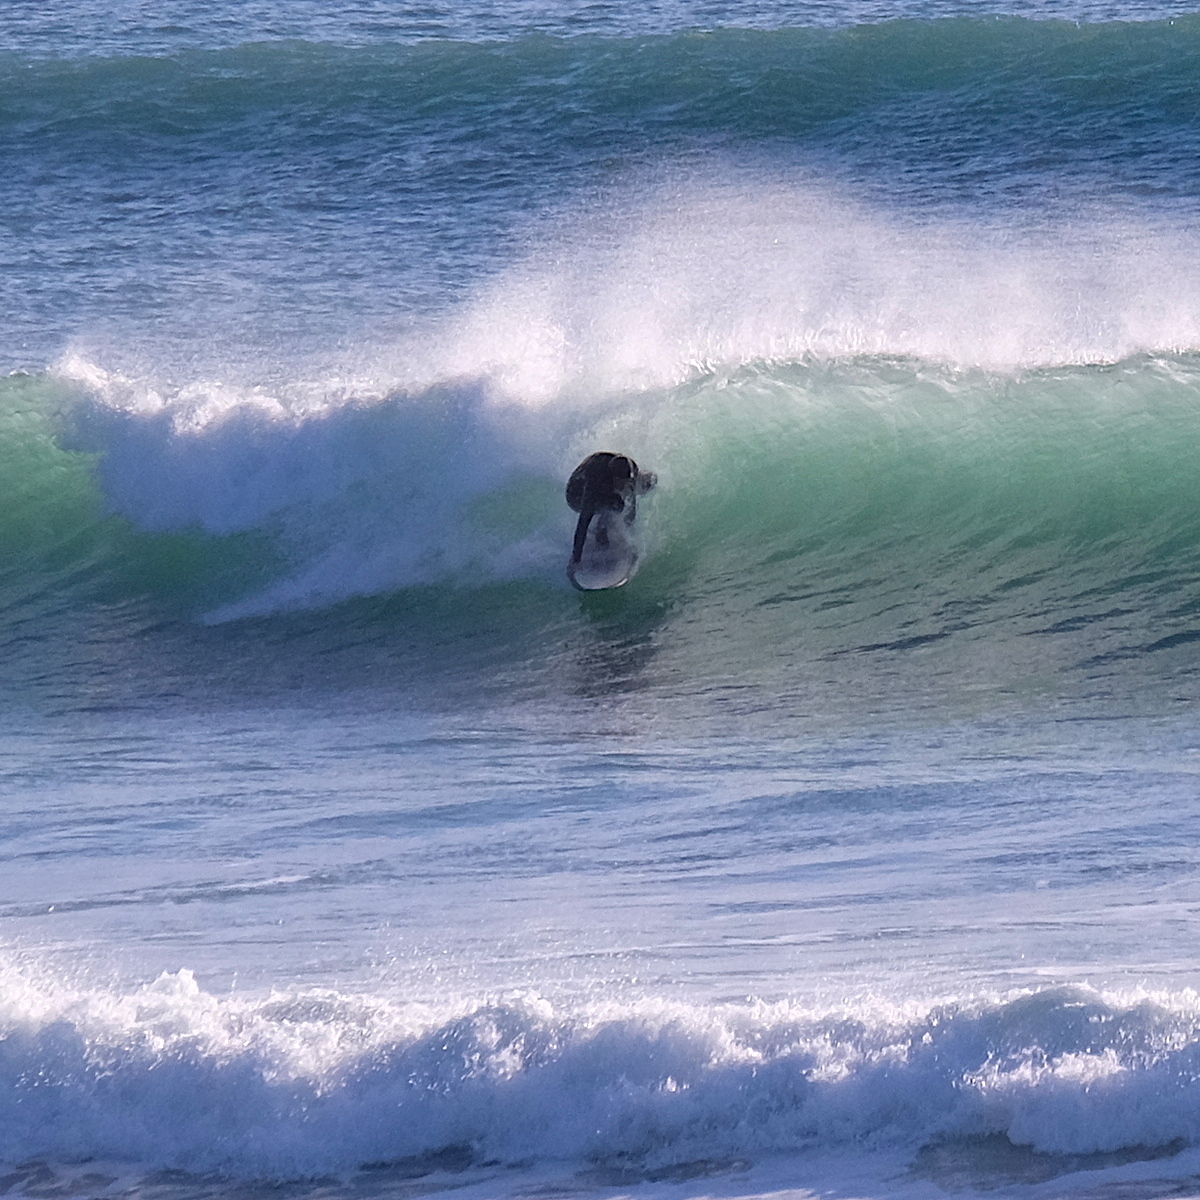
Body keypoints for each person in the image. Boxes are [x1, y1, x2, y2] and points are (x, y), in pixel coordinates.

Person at [566, 452, 656, 564]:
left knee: (650, 480)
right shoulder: (595, 483)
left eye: (626, 481)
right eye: (620, 482)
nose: (623, 485)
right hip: (575, 495)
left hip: (605, 480)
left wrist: (632, 538)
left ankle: (604, 521)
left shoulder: (631, 468)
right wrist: (576, 559)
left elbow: (632, 504)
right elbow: (582, 524)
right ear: (613, 477)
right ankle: (600, 531)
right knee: (614, 503)